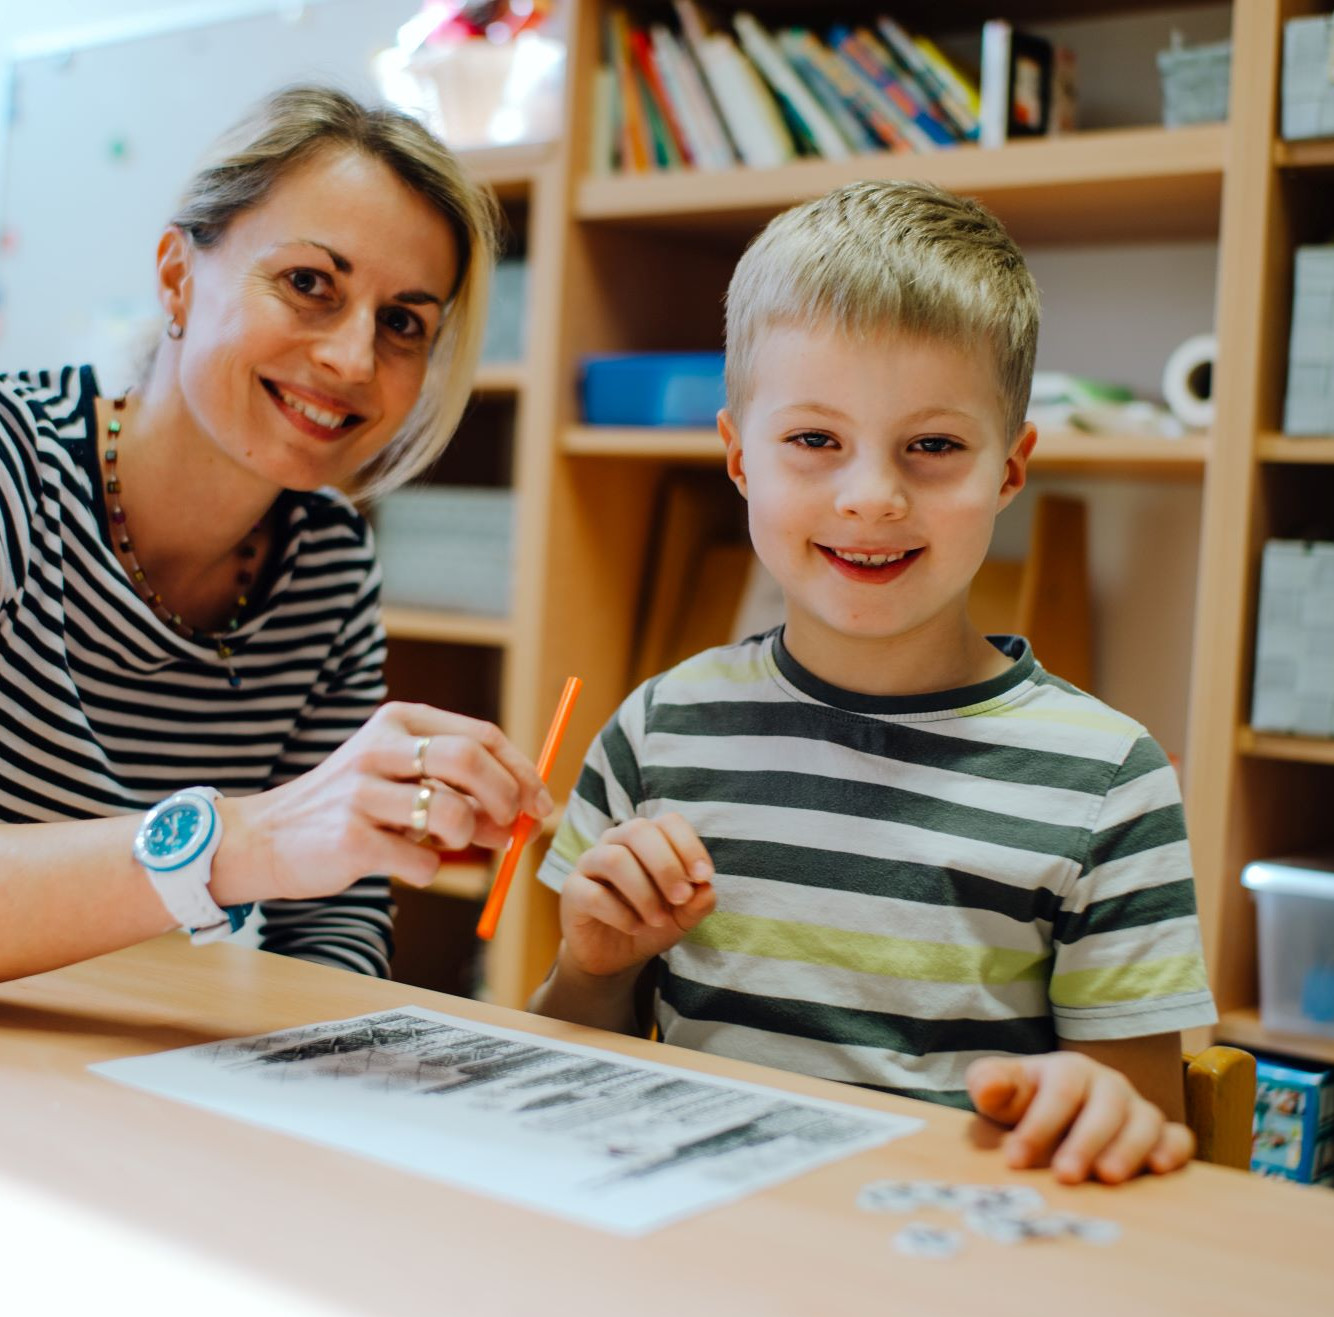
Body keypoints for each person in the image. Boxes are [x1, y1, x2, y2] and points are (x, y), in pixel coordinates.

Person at [530, 180, 1218, 1186]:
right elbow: (570, 1053)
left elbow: (1143, 1126)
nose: (869, 497)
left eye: (932, 446)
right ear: (736, 456)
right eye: (813, 440)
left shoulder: (1108, 780)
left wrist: (1102, 1109)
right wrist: (593, 963)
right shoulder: (656, 732)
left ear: (1008, 470)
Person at [0, 85, 551, 983]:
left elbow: (334, 931)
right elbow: (274, 852)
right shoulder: (15, 472)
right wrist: (245, 839)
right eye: (308, 284)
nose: (352, 359)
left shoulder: (327, 560)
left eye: (403, 323)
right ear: (179, 274)